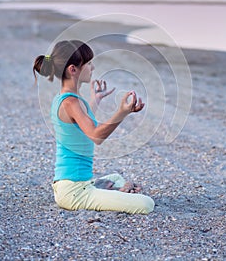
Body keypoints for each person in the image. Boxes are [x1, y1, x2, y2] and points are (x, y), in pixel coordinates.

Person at [33, 40, 154, 214]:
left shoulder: (65, 98)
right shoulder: (71, 102)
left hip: (72, 184)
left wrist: (95, 100)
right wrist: (122, 112)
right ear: (73, 69)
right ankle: (114, 194)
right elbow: (96, 136)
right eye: (89, 64)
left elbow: (80, 123)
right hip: (74, 192)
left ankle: (112, 191)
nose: (93, 67)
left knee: (115, 178)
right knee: (146, 204)